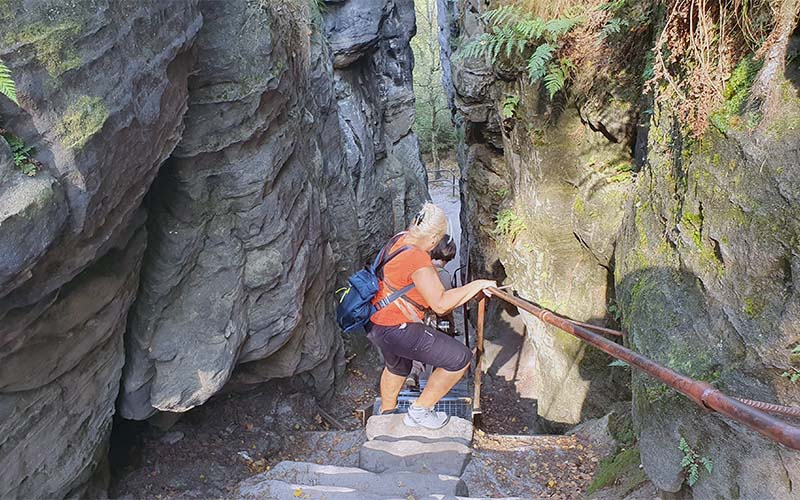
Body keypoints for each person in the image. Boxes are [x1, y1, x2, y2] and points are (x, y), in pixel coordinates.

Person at [367, 202, 495, 429]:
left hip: (376, 320)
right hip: (396, 327)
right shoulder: (417, 259)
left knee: (398, 367)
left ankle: (385, 416)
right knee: (459, 358)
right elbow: (440, 304)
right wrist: (476, 285)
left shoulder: (399, 239)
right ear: (435, 237)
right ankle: (419, 411)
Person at [405, 234, 458, 390]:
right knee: (443, 349)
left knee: (418, 347)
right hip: (436, 321)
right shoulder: (443, 275)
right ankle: (435, 385)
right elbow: (445, 303)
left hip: (415, 318)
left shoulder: (419, 269)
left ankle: (413, 374)